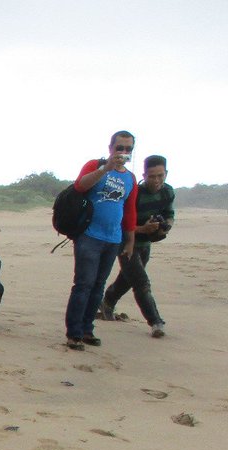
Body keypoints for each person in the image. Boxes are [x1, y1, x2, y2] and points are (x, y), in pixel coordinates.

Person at [63, 130, 138, 350]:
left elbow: (130, 210)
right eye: (120, 148)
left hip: (113, 239)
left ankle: (87, 329)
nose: (123, 152)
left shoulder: (130, 178)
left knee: (98, 286)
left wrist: (130, 239)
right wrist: (106, 168)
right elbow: (80, 186)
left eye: (128, 149)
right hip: (89, 236)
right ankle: (74, 333)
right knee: (83, 284)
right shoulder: (95, 165)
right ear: (110, 148)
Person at [100, 154, 173, 338]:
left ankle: (107, 302)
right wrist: (143, 228)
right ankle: (156, 322)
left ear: (166, 174)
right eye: (152, 176)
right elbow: (122, 223)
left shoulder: (168, 192)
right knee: (141, 283)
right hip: (126, 243)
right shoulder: (135, 192)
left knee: (127, 278)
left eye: (160, 175)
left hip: (146, 244)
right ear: (144, 175)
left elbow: (169, 214)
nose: (156, 180)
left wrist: (165, 226)